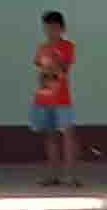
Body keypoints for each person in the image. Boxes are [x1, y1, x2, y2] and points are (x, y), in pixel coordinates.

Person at [31, 10, 80, 186]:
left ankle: (70, 175)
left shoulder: (67, 46)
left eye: (54, 28)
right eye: (47, 28)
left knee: (68, 135)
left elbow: (64, 68)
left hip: (62, 99)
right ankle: (52, 175)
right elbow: (40, 69)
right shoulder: (42, 48)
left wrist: (55, 59)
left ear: (62, 28)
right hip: (44, 98)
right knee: (50, 137)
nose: (50, 31)